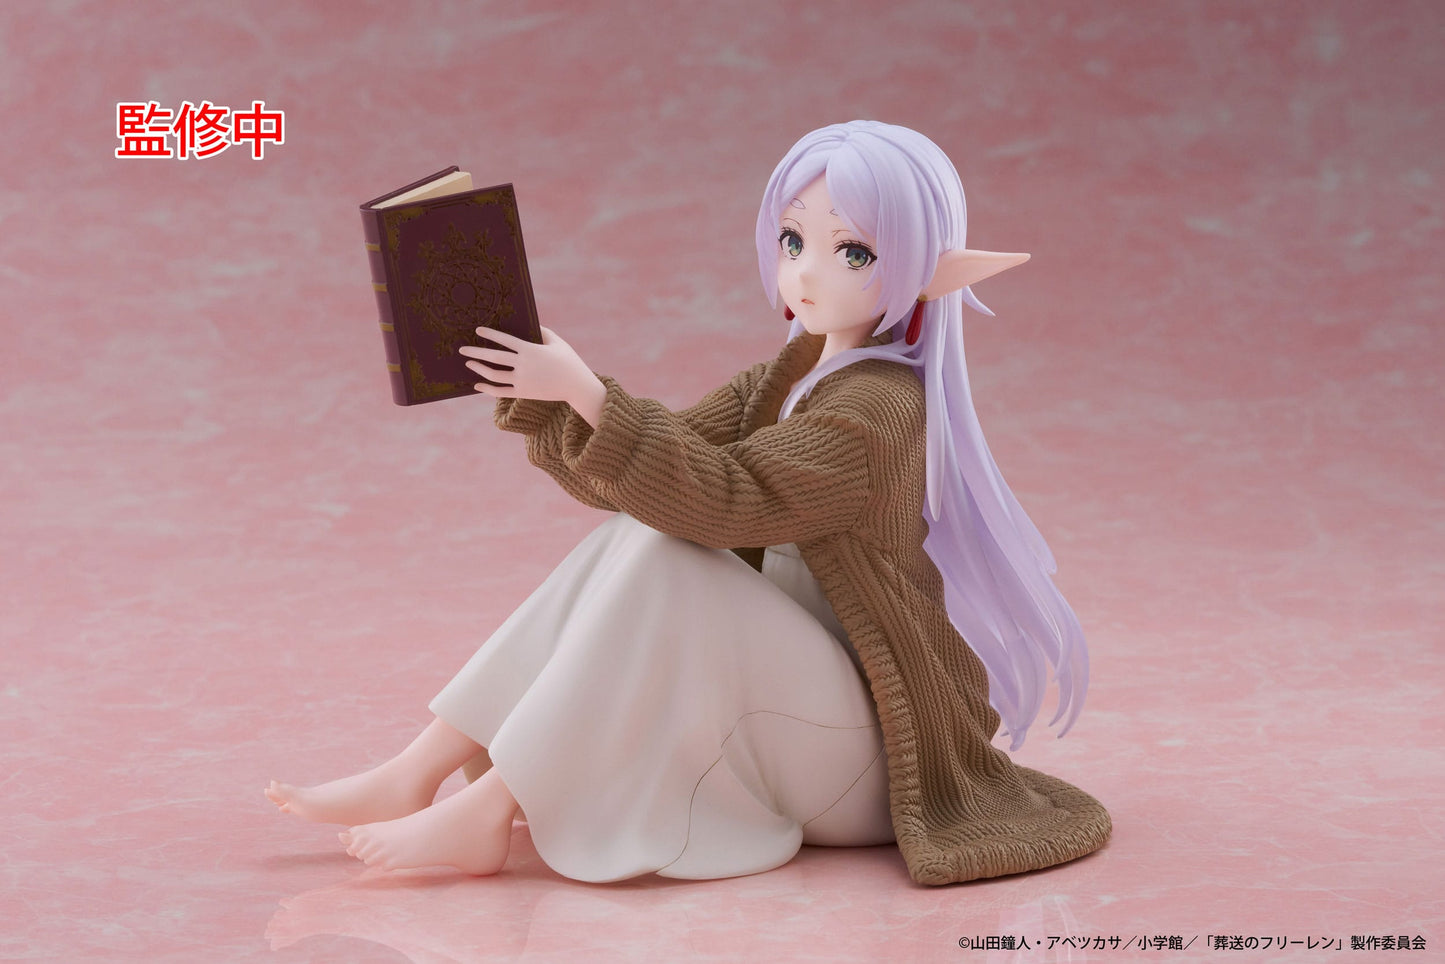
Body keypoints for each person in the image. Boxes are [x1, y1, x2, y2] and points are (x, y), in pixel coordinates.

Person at [267, 120, 1111, 886]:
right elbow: (647, 478)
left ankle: (487, 809)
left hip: (868, 764)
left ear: (932, 268)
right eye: (793, 239)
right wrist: (550, 395)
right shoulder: (786, 377)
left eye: (853, 252)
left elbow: (727, 499)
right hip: (782, 718)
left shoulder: (876, 410)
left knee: (670, 551)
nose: (805, 271)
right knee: (645, 535)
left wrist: (589, 393)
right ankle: (420, 768)